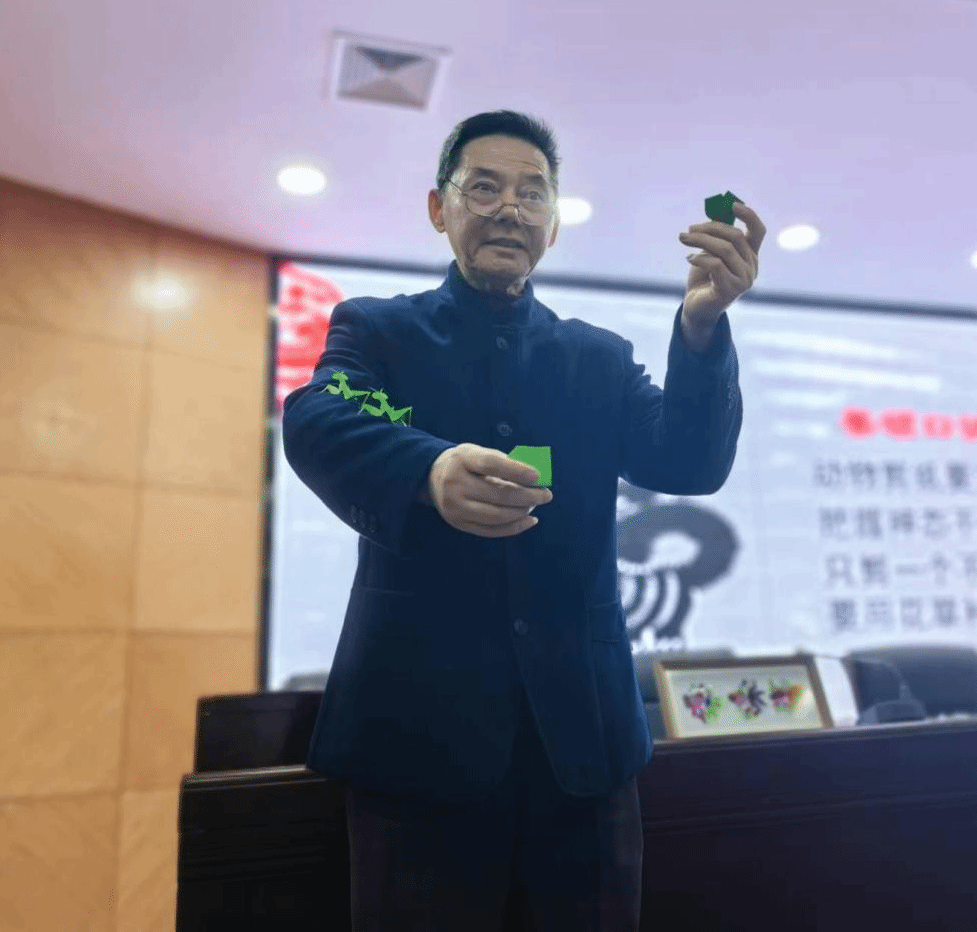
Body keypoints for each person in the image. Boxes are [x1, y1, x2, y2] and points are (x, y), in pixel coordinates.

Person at [282, 110, 765, 931]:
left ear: (553, 222)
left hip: (584, 753)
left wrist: (702, 325)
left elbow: (691, 461)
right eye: (485, 187)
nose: (510, 208)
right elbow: (316, 417)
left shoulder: (597, 357)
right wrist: (426, 470)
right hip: (415, 750)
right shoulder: (379, 332)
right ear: (439, 208)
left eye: (532, 193)